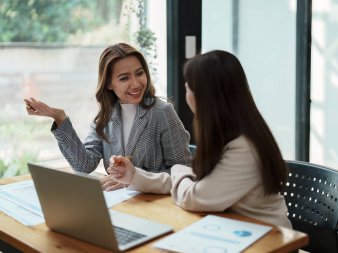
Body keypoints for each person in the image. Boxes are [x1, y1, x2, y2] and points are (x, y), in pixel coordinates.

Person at [24, 43, 192, 193]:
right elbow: (84, 166)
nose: (135, 83)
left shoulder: (162, 112)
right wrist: (59, 118)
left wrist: (133, 179)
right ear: (109, 84)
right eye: (124, 78)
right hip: (120, 202)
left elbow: (183, 171)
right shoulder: (105, 117)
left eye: (139, 73)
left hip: (155, 204)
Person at [170, 50, 291, 227]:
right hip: (233, 227)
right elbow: (197, 183)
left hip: (267, 239)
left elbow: (193, 197)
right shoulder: (227, 133)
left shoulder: (244, 148)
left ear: (205, 96)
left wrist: (177, 170)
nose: (186, 95)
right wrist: (136, 176)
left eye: (188, 88)